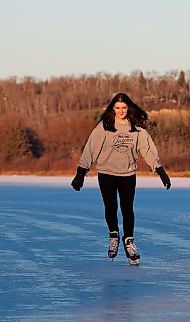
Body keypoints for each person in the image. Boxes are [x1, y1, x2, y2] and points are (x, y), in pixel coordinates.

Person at [71, 92, 171, 266]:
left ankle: (129, 242)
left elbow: (147, 150)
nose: (121, 111)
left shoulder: (137, 129)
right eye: (117, 108)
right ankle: (114, 236)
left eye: (124, 107)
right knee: (110, 206)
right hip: (106, 173)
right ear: (112, 108)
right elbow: (91, 149)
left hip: (128, 174)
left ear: (129, 107)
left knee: (127, 209)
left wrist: (160, 170)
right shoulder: (105, 126)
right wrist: (81, 172)